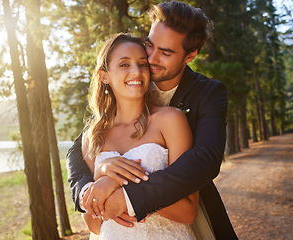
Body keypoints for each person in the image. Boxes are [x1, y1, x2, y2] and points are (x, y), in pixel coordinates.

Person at [67, 1, 238, 239]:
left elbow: (205, 160)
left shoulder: (207, 94)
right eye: (149, 44)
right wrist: (98, 176)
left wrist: (124, 192)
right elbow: (77, 152)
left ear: (190, 55)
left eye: (165, 52)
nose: (150, 58)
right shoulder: (112, 109)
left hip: (182, 214)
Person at [80, 33, 199, 239]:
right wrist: (101, 175)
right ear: (104, 76)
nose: (136, 71)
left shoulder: (170, 120)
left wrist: (117, 184)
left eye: (142, 64)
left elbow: (188, 212)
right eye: (124, 64)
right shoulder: (94, 137)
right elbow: (94, 225)